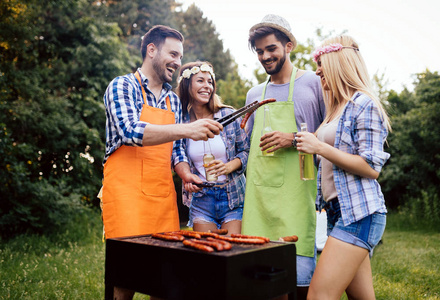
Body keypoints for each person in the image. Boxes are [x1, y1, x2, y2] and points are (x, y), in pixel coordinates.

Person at [101, 25, 222, 300]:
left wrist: (186, 173)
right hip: (126, 194)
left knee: (166, 275)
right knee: (126, 273)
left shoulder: (172, 100)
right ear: (151, 50)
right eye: (173, 54)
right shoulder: (123, 86)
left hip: (161, 194)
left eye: (180, 56)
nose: (178, 62)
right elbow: (131, 131)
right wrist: (188, 129)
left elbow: (176, 150)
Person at [297, 35, 391, 300]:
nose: (317, 71)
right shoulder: (335, 109)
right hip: (338, 212)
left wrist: (320, 148)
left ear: (338, 64)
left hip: (359, 213)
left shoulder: (364, 104)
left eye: (321, 64)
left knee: (318, 295)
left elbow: (371, 168)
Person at [241, 14, 326, 299]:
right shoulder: (254, 94)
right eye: (260, 51)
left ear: (289, 46)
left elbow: (328, 137)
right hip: (259, 202)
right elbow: (245, 148)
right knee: (262, 284)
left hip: (297, 197)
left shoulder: (313, 84)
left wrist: (291, 139)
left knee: (299, 282)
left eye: (271, 49)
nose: (265, 56)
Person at [173, 61, 249, 234]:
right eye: (200, 81)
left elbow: (246, 150)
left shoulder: (227, 115)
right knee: (208, 257)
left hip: (233, 197)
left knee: (232, 252)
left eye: (210, 81)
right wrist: (188, 178)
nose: (207, 86)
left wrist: (228, 166)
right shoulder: (181, 122)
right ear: (187, 85)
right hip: (202, 200)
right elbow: (177, 154)